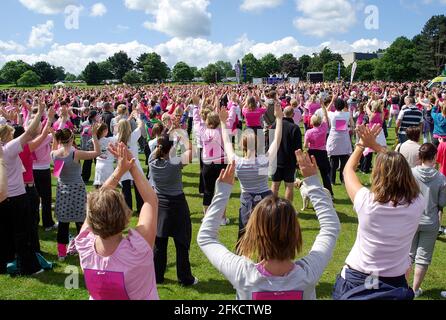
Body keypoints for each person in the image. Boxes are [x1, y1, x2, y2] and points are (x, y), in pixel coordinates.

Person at [198, 153, 340, 300]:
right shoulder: (308, 274)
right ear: (295, 232)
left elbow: (206, 238)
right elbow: (330, 228)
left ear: (253, 232)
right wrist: (313, 182)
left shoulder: (242, 273)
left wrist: (222, 192)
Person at [333, 124, 424, 300]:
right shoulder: (417, 202)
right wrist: (376, 146)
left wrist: (362, 145)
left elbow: (347, 170)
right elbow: (401, 169)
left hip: (360, 278)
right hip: (393, 281)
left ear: (378, 174)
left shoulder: (368, 202)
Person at [75, 143, 159, 300]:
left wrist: (119, 171)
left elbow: (97, 203)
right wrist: (131, 165)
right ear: (126, 216)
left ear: (91, 219)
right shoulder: (138, 250)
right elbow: (151, 200)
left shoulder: (84, 245)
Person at [220, 103, 283, 239]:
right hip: (266, 201)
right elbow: (276, 140)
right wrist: (279, 119)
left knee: (244, 238)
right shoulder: (263, 161)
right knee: (267, 237)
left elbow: (226, 142)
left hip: (247, 201)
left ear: (242, 146)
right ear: (258, 144)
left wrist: (223, 123)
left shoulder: (238, 163)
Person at [0, 102, 46, 275]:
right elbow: (28, 134)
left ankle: (6, 263)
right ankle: (29, 267)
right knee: (22, 233)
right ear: (6, 136)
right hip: (17, 197)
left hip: (3, 197)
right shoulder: (9, 148)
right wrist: (40, 113)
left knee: (5, 232)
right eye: (12, 134)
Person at [148, 133, 198, 287]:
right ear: (170, 149)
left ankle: (157, 276)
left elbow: (159, 146)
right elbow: (193, 150)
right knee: (181, 242)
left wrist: (169, 138)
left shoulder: (151, 161)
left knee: (159, 243)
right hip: (177, 205)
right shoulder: (175, 163)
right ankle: (184, 278)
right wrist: (181, 136)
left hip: (160, 205)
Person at [52, 125, 100, 261]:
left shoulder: (54, 153)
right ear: (72, 138)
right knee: (81, 221)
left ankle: (61, 252)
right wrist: (95, 136)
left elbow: (55, 150)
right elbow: (97, 153)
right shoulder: (75, 153)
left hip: (62, 190)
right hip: (77, 189)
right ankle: (82, 249)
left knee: (63, 223)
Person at [410, 143, 446, 298]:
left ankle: (407, 287)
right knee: (423, 257)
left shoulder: (410, 173)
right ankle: (414, 289)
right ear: (434, 157)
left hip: (411, 218)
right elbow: (442, 202)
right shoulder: (440, 177)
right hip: (430, 220)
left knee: (409, 254)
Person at [271, 106, 302, 202]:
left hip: (277, 159)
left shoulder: (275, 125)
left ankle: (272, 207)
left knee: (275, 185)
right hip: (289, 160)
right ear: (293, 115)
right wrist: (298, 162)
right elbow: (298, 148)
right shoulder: (295, 128)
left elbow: (269, 142)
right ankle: (287, 209)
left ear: (283, 113)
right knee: (288, 186)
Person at [304, 98, 334, 197]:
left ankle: (314, 193)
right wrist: (323, 106)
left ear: (312, 122)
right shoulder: (324, 127)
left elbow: (305, 145)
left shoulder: (309, 132)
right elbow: (325, 115)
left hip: (312, 152)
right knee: (325, 174)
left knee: (312, 175)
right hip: (322, 152)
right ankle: (330, 194)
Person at [116, 114, 144, 212]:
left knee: (126, 187)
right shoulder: (133, 136)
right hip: (134, 164)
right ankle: (140, 207)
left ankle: (128, 208)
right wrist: (137, 117)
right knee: (138, 187)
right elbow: (141, 125)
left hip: (124, 165)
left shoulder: (116, 138)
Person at [326, 97, 353, 185]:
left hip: (334, 139)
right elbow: (352, 125)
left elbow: (326, 110)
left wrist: (332, 100)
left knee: (333, 162)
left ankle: (332, 180)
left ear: (335, 105)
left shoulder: (332, 114)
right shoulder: (347, 114)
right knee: (343, 162)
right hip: (344, 139)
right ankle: (342, 180)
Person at [93, 123, 116, 188]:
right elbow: (119, 136)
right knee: (108, 188)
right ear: (104, 131)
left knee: (99, 187)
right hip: (107, 166)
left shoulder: (95, 140)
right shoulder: (110, 140)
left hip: (98, 165)